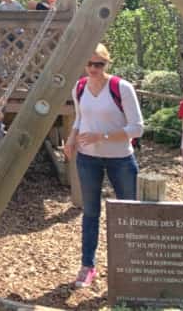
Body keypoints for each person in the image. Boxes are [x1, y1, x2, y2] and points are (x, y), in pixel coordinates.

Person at [63, 43, 143, 288]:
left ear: (108, 63)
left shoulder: (121, 87)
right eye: (89, 64)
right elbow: (80, 117)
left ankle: (131, 264)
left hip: (120, 158)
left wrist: (103, 136)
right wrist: (71, 138)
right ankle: (88, 265)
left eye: (99, 64)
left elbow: (137, 127)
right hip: (88, 158)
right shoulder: (79, 87)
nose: (94, 68)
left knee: (128, 212)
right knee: (90, 212)